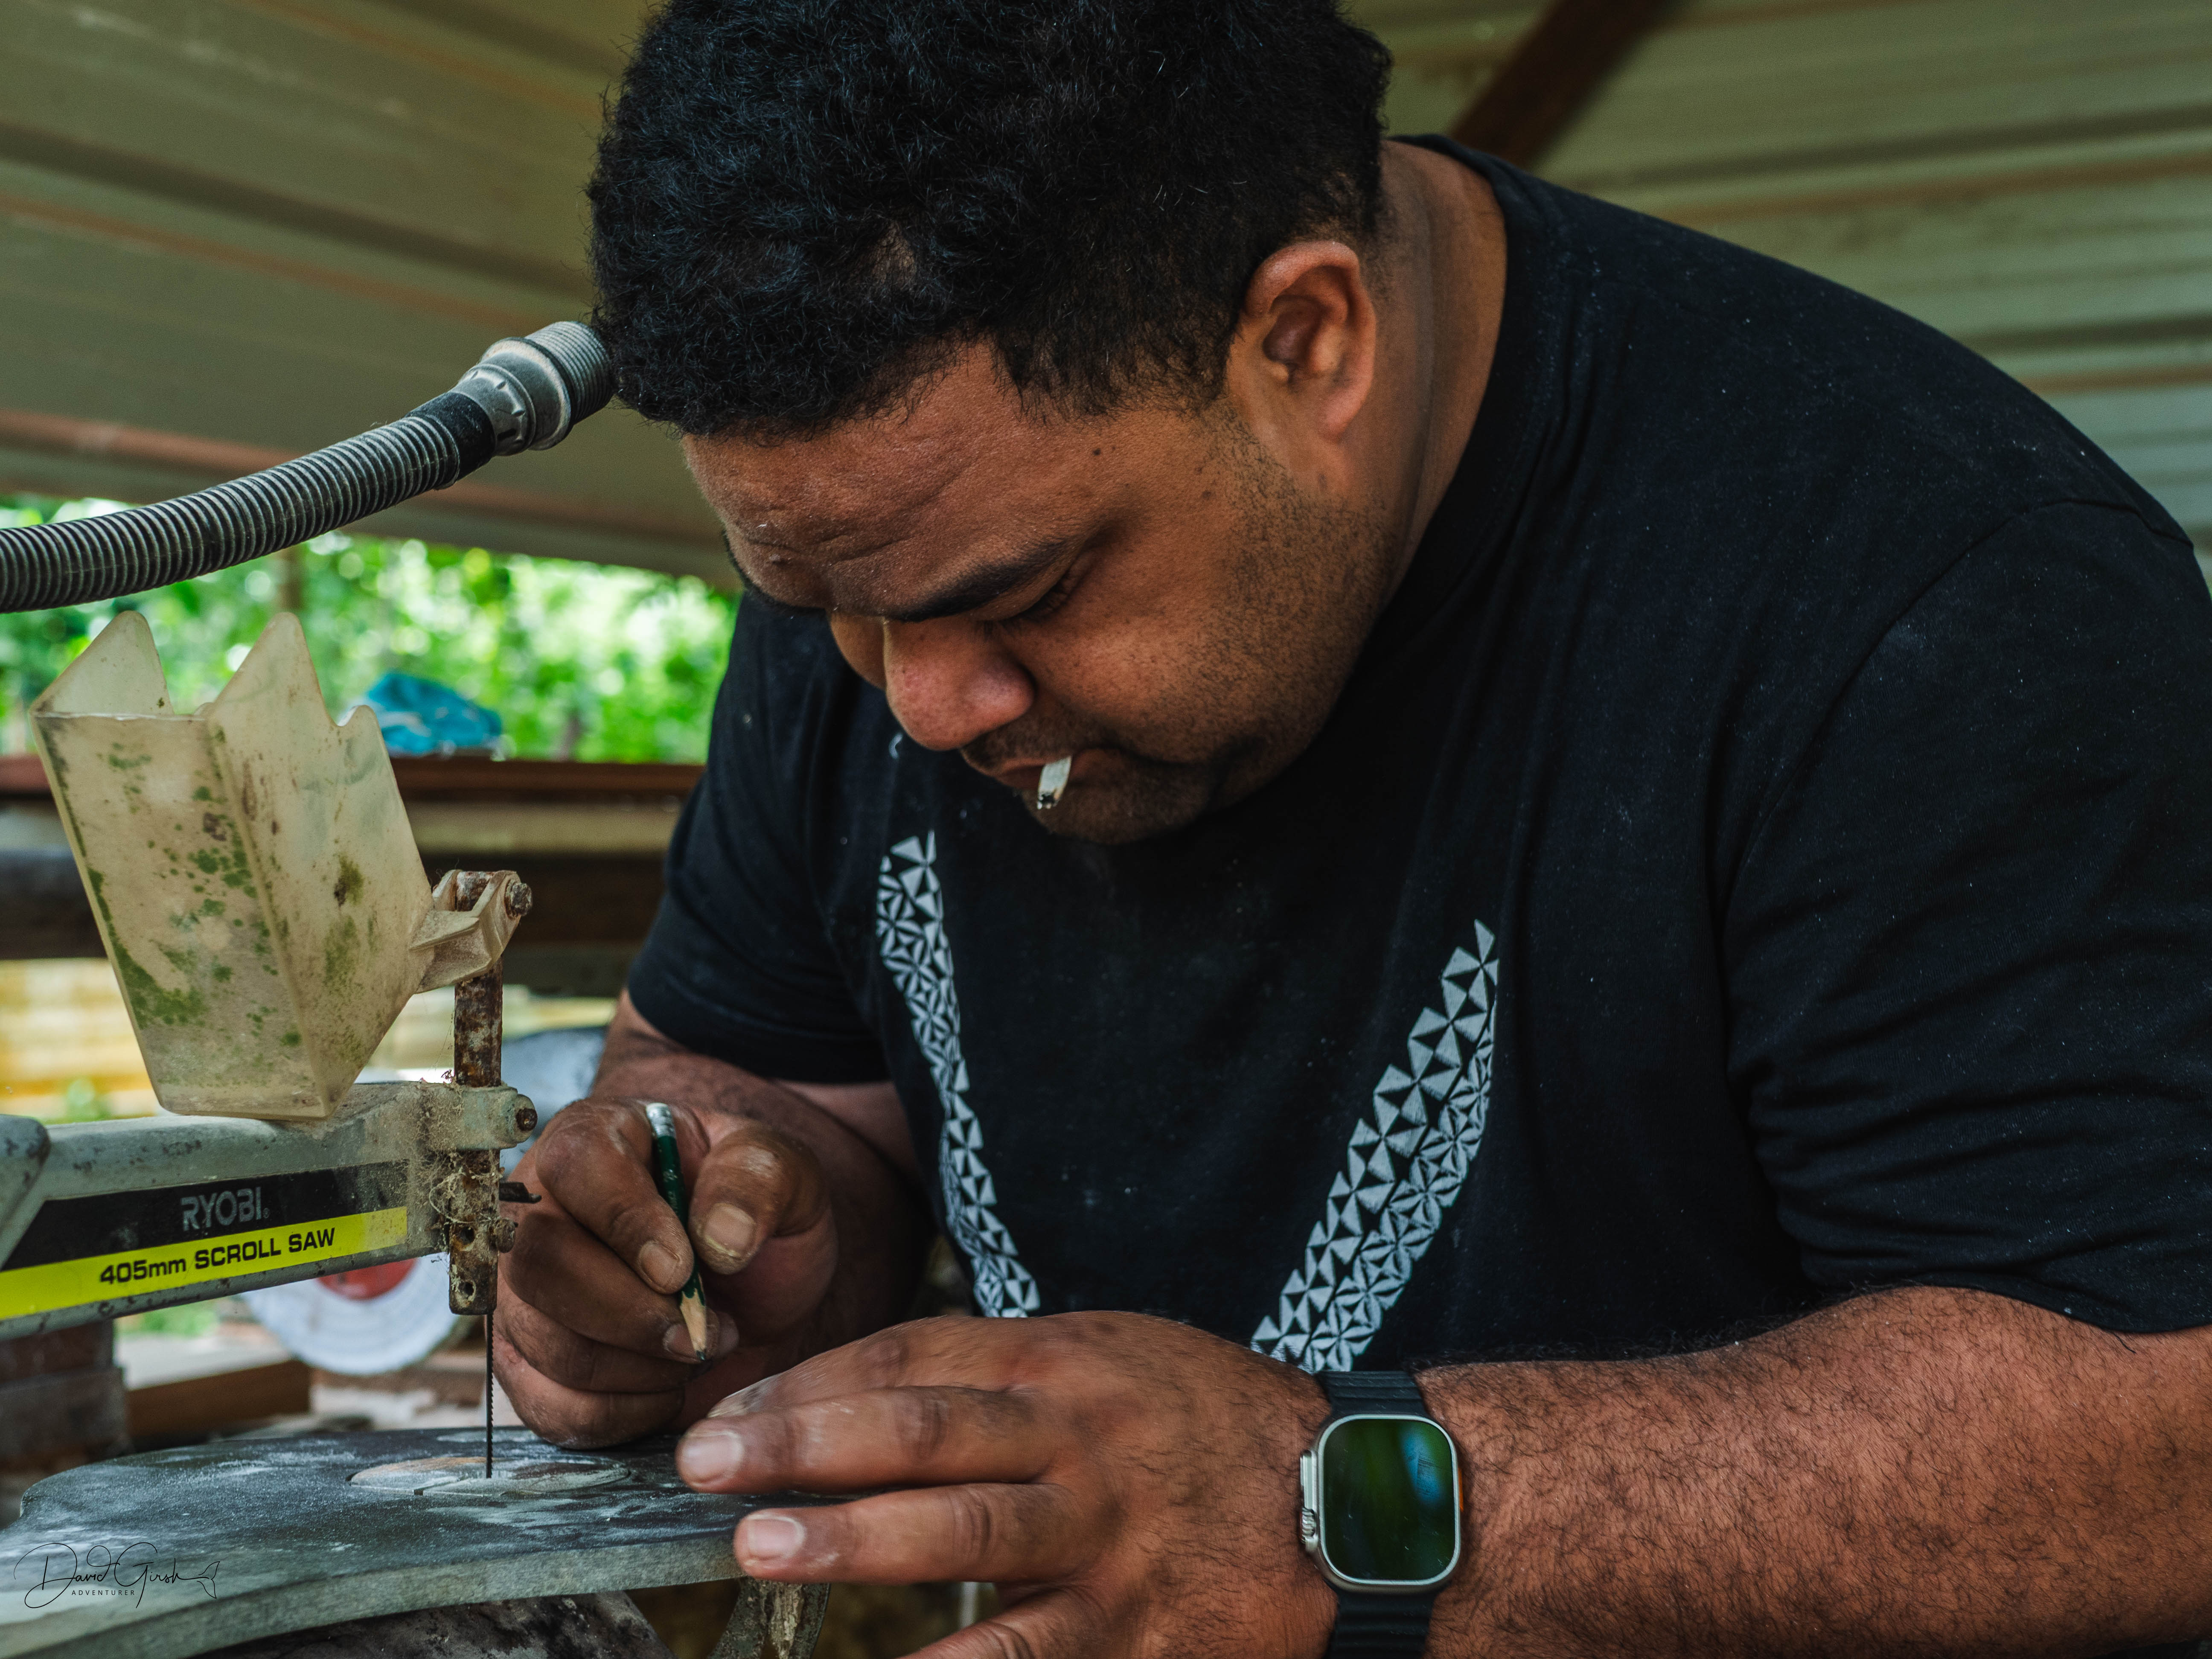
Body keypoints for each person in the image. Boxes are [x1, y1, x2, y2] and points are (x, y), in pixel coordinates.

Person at [493, 2, 2212, 1654]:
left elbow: (2162, 1428)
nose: (923, 706)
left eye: (1027, 593)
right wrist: (703, 1239)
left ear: (1307, 343)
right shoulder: (902, 557)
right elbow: (761, 1074)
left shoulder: (1936, 597)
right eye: (820, 604)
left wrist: (1336, 1511)